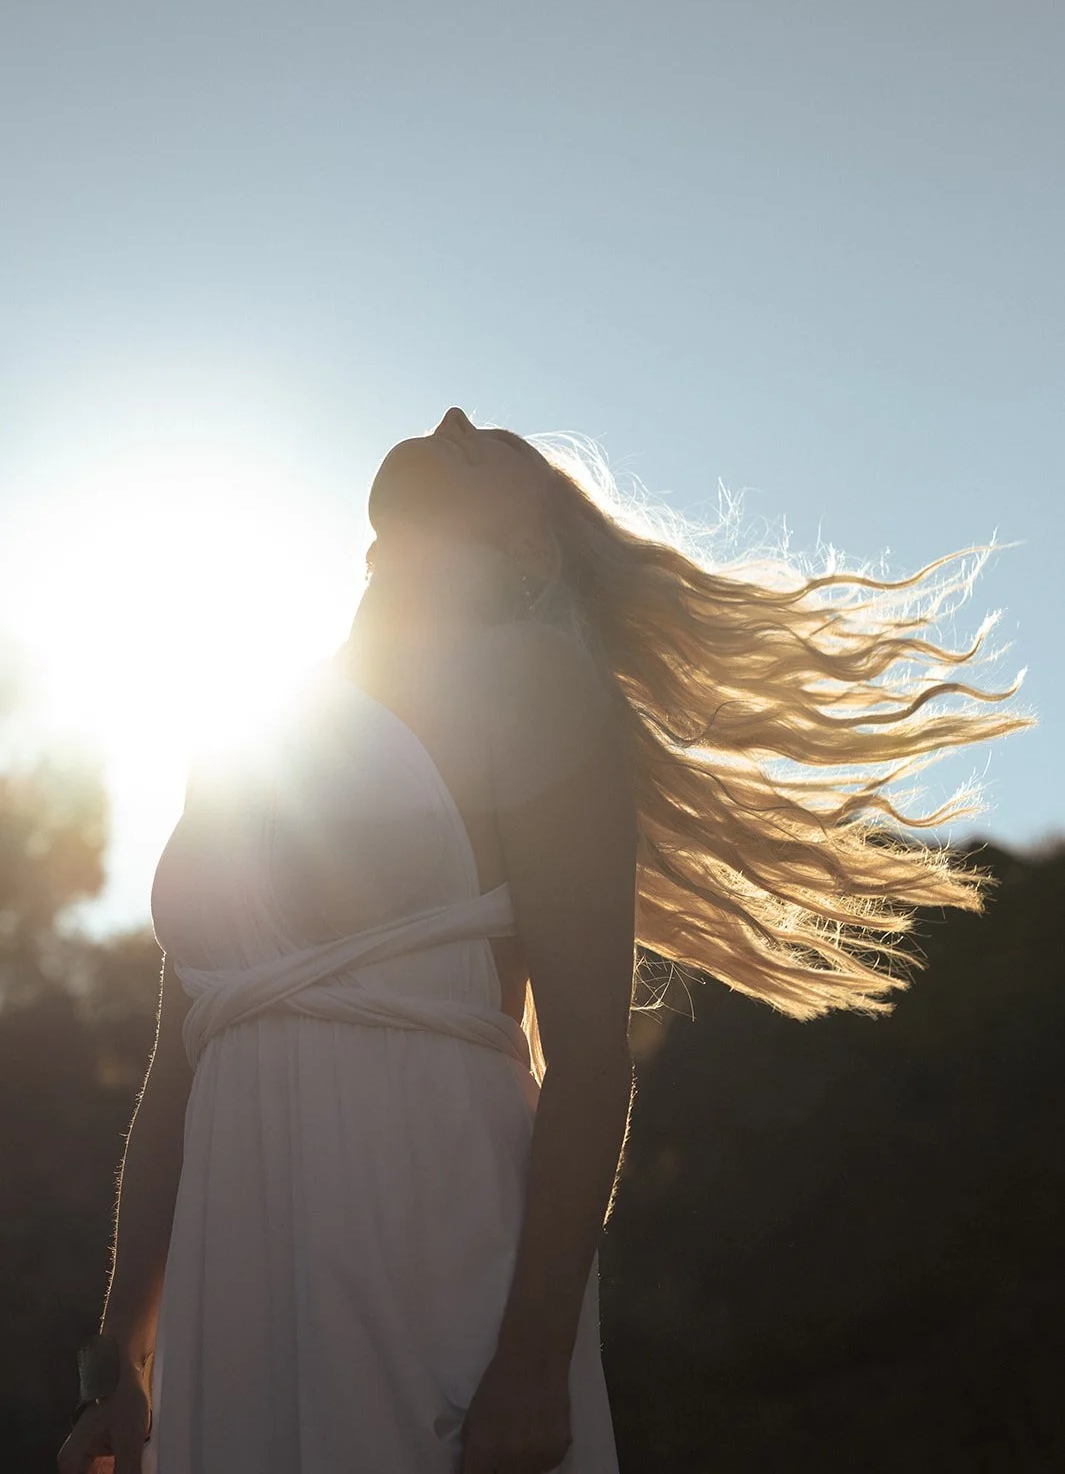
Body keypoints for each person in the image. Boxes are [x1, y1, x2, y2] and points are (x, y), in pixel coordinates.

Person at [57, 407, 1032, 1474]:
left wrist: (532, 1355)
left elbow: (589, 1060)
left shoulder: (531, 684)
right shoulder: (242, 729)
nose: (454, 418)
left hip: (425, 1237)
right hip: (235, 1275)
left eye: (501, 449)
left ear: (528, 550)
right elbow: (172, 1078)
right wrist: (121, 1360)